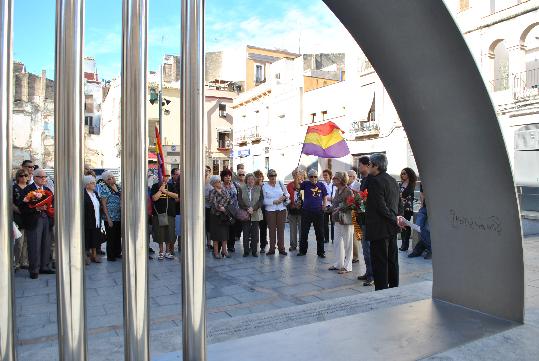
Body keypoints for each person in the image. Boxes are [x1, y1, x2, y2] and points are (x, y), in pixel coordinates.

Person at [365, 153, 402, 291]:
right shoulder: (393, 180)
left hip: (379, 228)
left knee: (380, 262)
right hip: (392, 227)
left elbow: (380, 206)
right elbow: (399, 203)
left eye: (369, 164)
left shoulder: (375, 181)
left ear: (376, 166)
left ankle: (381, 291)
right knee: (392, 260)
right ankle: (394, 287)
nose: (368, 167)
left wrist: (394, 218)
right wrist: (398, 218)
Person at [21, 168, 55, 279]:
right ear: (34, 178)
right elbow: (22, 207)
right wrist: (36, 208)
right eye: (41, 177)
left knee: (46, 243)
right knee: (34, 245)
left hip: (46, 219)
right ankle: (34, 269)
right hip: (34, 220)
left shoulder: (47, 189)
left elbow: (52, 204)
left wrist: (50, 212)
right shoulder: (28, 190)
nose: (44, 179)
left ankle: (44, 266)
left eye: (45, 177)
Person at [328, 172, 354, 274]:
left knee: (348, 244)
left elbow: (352, 205)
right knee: (338, 242)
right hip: (337, 220)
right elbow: (336, 203)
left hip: (346, 220)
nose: (333, 180)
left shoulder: (348, 191)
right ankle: (339, 264)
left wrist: (340, 208)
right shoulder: (337, 190)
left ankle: (348, 266)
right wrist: (330, 208)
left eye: (335, 178)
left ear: (340, 180)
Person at [298, 169, 328, 258]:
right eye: (311, 176)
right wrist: (301, 202)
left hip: (318, 212)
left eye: (315, 176)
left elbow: (325, 196)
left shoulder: (321, 185)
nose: (313, 178)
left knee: (320, 232)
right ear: (308, 177)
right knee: (304, 232)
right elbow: (301, 195)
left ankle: (321, 252)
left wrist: (324, 205)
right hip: (306, 211)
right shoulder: (305, 184)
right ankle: (302, 251)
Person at [151, 174, 179, 260]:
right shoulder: (155, 186)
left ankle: (167, 251)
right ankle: (161, 252)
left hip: (170, 213)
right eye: (163, 176)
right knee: (160, 233)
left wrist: (165, 191)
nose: (165, 178)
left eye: (167, 176)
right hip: (158, 214)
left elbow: (176, 196)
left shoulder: (171, 185)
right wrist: (161, 189)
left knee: (169, 233)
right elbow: (154, 198)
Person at [262, 169, 289, 256]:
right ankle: (272, 249)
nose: (273, 177)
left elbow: (287, 194)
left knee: (281, 230)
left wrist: (283, 197)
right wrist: (274, 201)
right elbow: (264, 200)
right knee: (272, 230)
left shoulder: (280, 183)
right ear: (268, 177)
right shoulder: (264, 186)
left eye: (274, 175)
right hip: (270, 210)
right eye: (271, 175)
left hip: (281, 209)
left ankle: (281, 248)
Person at [356, 156, 374, 286]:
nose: (359, 167)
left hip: (370, 219)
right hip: (362, 218)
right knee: (365, 248)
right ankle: (368, 272)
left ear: (367, 165)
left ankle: (372, 275)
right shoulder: (363, 180)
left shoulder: (372, 180)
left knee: (368, 248)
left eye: (360, 165)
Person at [98, 171, 122, 261]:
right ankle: (111, 255)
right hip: (110, 217)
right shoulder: (105, 188)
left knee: (117, 235)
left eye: (112, 177)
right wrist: (108, 218)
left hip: (119, 216)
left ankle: (117, 252)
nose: (112, 179)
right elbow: (104, 204)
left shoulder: (118, 187)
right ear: (106, 181)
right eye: (109, 178)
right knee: (111, 236)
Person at [238, 173, 263, 257]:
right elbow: (240, 200)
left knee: (255, 233)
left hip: (255, 213)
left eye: (252, 179)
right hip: (245, 213)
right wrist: (247, 208)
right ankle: (246, 251)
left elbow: (261, 200)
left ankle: (254, 251)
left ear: (254, 180)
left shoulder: (259, 188)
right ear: (246, 180)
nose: (250, 180)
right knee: (245, 233)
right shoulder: (241, 188)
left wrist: (253, 208)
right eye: (249, 179)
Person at [407, 183, 432, 259]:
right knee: (419, 227)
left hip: (434, 208)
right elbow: (422, 195)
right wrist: (422, 206)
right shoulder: (423, 182)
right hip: (425, 208)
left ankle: (427, 249)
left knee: (425, 229)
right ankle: (427, 249)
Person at [208, 175, 231, 258]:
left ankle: (225, 251)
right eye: (218, 181)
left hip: (224, 215)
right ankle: (216, 252)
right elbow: (212, 203)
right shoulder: (212, 192)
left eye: (220, 181)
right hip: (215, 216)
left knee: (224, 235)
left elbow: (228, 199)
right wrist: (220, 207)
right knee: (216, 235)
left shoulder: (224, 190)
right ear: (214, 183)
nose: (220, 182)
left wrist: (224, 208)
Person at [13, 168, 29, 270]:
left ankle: (24, 261)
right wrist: (18, 210)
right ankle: (17, 262)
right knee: (19, 241)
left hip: (29, 216)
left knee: (27, 241)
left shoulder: (30, 188)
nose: (23, 177)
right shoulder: (14, 188)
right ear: (17, 177)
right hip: (18, 216)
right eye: (21, 176)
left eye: (25, 175)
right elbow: (10, 202)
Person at [83, 175, 102, 264]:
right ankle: (86, 255)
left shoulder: (95, 194)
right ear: (87, 185)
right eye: (92, 183)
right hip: (88, 219)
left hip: (97, 219)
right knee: (87, 237)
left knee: (95, 237)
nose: (94, 184)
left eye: (94, 183)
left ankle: (94, 254)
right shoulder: (83, 194)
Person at [398, 167, 417, 251]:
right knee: (402, 225)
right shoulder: (401, 184)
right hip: (400, 207)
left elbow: (404, 194)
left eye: (404, 173)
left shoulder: (412, 184)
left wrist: (400, 196)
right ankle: (403, 244)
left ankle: (405, 245)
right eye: (402, 173)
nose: (402, 175)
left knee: (406, 225)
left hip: (407, 208)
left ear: (409, 174)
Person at [286, 168, 305, 251]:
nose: (297, 176)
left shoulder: (304, 184)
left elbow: (304, 197)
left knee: (302, 229)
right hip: (292, 209)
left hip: (302, 210)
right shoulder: (289, 185)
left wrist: (300, 204)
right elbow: (287, 197)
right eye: (295, 174)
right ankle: (293, 245)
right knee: (292, 229)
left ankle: (301, 244)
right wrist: (292, 205)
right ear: (293, 176)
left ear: (301, 176)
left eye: (298, 174)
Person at [221, 169, 239, 253]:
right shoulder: (220, 186)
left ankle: (231, 246)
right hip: (224, 211)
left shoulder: (235, 185)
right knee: (224, 229)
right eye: (226, 176)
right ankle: (222, 247)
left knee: (232, 229)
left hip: (233, 211)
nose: (228, 177)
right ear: (222, 177)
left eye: (229, 176)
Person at [254, 170, 268, 253]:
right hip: (255, 209)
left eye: (260, 176)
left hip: (263, 209)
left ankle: (263, 246)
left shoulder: (265, 186)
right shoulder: (252, 187)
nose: (259, 178)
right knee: (254, 228)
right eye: (257, 176)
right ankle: (254, 244)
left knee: (263, 228)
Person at [321, 169, 336, 244]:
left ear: (330, 176)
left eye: (326, 175)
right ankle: (326, 239)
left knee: (333, 223)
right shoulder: (322, 185)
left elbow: (335, 196)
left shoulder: (334, 185)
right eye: (323, 175)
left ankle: (333, 238)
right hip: (325, 205)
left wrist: (328, 198)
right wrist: (326, 198)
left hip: (333, 206)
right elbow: (320, 195)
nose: (325, 177)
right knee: (325, 224)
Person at [169, 168, 182, 253]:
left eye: (179, 174)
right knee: (173, 231)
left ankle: (181, 247)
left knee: (181, 230)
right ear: (173, 175)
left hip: (182, 211)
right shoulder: (169, 185)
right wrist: (180, 199)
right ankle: (171, 248)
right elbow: (171, 199)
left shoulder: (183, 185)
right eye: (177, 174)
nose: (178, 176)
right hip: (174, 211)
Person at [204, 166, 213, 250]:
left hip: (208, 207)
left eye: (208, 171)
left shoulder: (211, 182)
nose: (206, 172)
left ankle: (209, 243)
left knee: (209, 226)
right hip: (199, 208)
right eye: (205, 170)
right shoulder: (197, 182)